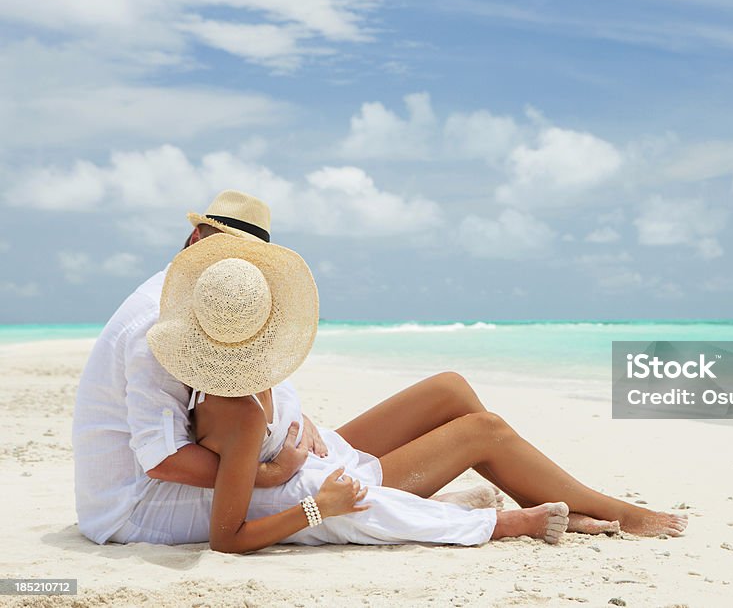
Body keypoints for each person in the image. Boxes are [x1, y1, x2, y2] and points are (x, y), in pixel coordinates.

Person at [71, 190, 687, 547]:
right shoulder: (158, 327)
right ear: (195, 241)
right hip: (147, 502)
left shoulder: (219, 299)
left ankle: (522, 493)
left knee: (450, 390)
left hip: (249, 451)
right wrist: (275, 469)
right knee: (484, 432)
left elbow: (246, 371)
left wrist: (294, 419)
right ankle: (611, 513)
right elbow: (161, 458)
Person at [145, 231, 569, 551]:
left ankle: (460, 504)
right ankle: (503, 524)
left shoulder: (241, 388)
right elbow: (227, 538)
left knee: (444, 400)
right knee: (373, 508)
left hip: (311, 471)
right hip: (303, 492)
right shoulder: (239, 412)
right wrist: (319, 507)